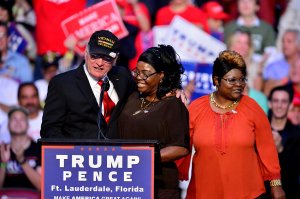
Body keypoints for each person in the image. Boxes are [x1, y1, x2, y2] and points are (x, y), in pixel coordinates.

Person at [179, 50, 285, 198]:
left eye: (242, 80)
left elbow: (267, 148)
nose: (239, 85)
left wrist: (276, 184)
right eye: (232, 80)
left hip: (248, 194)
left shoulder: (252, 108)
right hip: (204, 192)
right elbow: (180, 148)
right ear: (216, 80)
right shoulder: (196, 109)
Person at [117, 45, 189, 198]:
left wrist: (145, 158)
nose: (139, 77)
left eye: (146, 73)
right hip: (128, 182)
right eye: (137, 72)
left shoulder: (173, 104)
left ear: (161, 75)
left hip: (159, 185)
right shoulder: (132, 96)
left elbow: (180, 147)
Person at [40, 30, 136, 139]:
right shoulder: (62, 84)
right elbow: (50, 129)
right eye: (95, 56)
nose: (99, 63)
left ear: (116, 59)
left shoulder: (123, 76)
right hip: (78, 154)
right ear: (86, 52)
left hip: (117, 154)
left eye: (107, 58)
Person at [0, 106, 41, 191]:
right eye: (14, 119)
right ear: (8, 125)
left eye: (22, 119)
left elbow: (42, 187)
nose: (18, 122)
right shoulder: (2, 150)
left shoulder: (39, 149)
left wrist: (22, 161)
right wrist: (3, 163)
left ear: (28, 125)